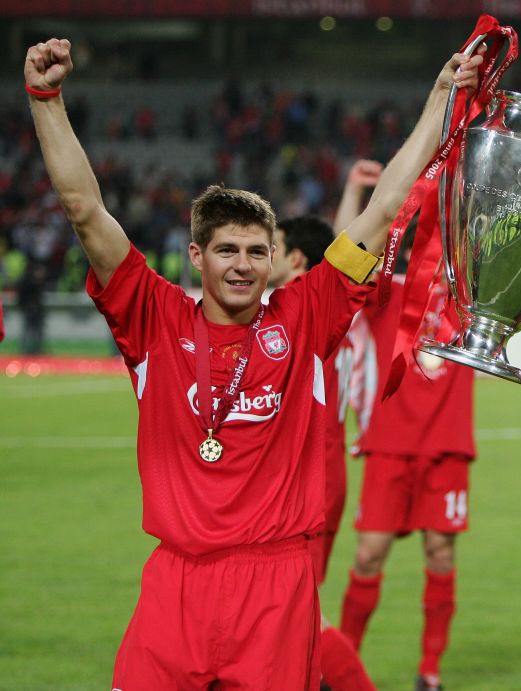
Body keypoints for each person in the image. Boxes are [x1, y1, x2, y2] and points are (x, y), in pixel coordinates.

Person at [25, 36, 483, 689]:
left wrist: (441, 99)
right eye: (227, 249)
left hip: (275, 587)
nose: (242, 263)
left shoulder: (305, 314)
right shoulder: (153, 318)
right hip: (176, 582)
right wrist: (46, 100)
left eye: (255, 250)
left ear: (273, 258)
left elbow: (385, 210)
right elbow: (84, 210)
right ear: (196, 256)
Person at [337, 171, 476, 691]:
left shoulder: (473, 302)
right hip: (389, 446)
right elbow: (346, 256)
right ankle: (342, 667)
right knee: (369, 554)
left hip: (446, 447)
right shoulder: (386, 295)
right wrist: (356, 195)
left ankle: (430, 674)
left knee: (440, 554)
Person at [268, 215, 375, 691]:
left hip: (305, 482)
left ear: (294, 259)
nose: (258, 255)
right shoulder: (318, 302)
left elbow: (348, 246)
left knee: (296, 612)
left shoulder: (302, 308)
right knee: (286, 614)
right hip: (315, 475)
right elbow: (340, 247)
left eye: (268, 246)